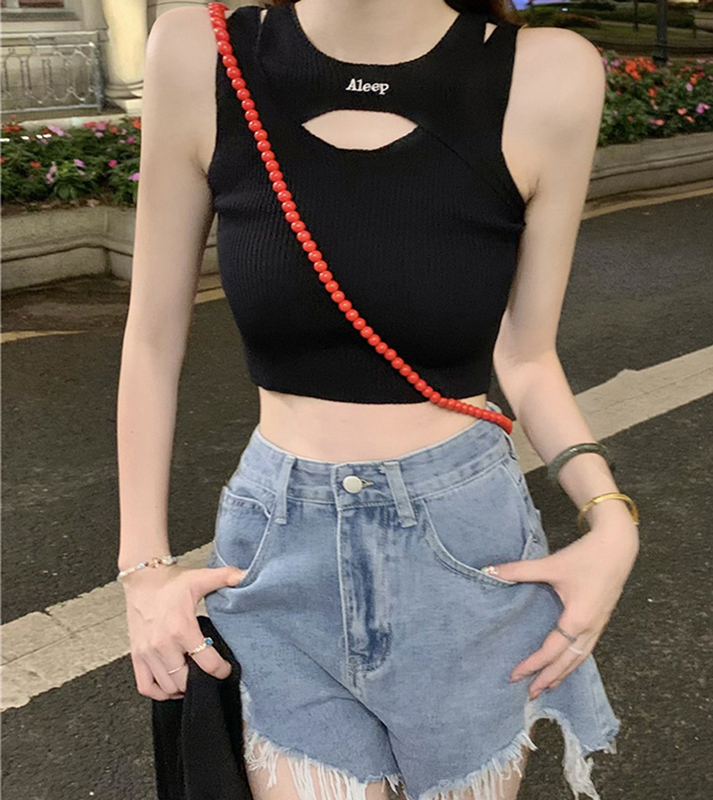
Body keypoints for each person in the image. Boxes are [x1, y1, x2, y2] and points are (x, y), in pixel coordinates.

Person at [116, 1, 640, 799]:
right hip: (277, 549)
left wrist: (611, 519)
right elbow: (152, 340)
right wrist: (142, 572)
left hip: (466, 552)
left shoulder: (550, 72)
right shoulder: (199, 49)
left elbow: (528, 356)